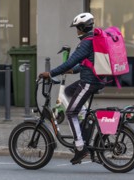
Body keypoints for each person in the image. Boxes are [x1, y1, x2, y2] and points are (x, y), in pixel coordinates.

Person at [39, 12, 105, 164]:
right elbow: (86, 62)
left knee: (70, 112)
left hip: (89, 81)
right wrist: (73, 71)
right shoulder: (94, 39)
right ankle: (84, 121)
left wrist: (50, 73)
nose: (76, 31)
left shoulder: (86, 42)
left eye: (77, 28)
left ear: (82, 27)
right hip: (96, 79)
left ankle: (80, 148)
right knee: (68, 91)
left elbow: (71, 61)